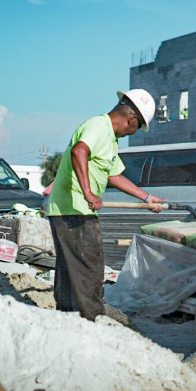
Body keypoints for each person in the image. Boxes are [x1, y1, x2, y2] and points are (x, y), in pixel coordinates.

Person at [45, 89, 165, 322]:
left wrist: (147, 198)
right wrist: (89, 192)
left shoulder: (109, 139)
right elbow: (79, 151)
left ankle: (67, 319)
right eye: (136, 127)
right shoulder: (99, 127)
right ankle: (93, 321)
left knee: (71, 268)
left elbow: (114, 175)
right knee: (90, 269)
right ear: (131, 120)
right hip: (75, 209)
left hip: (71, 209)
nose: (133, 132)